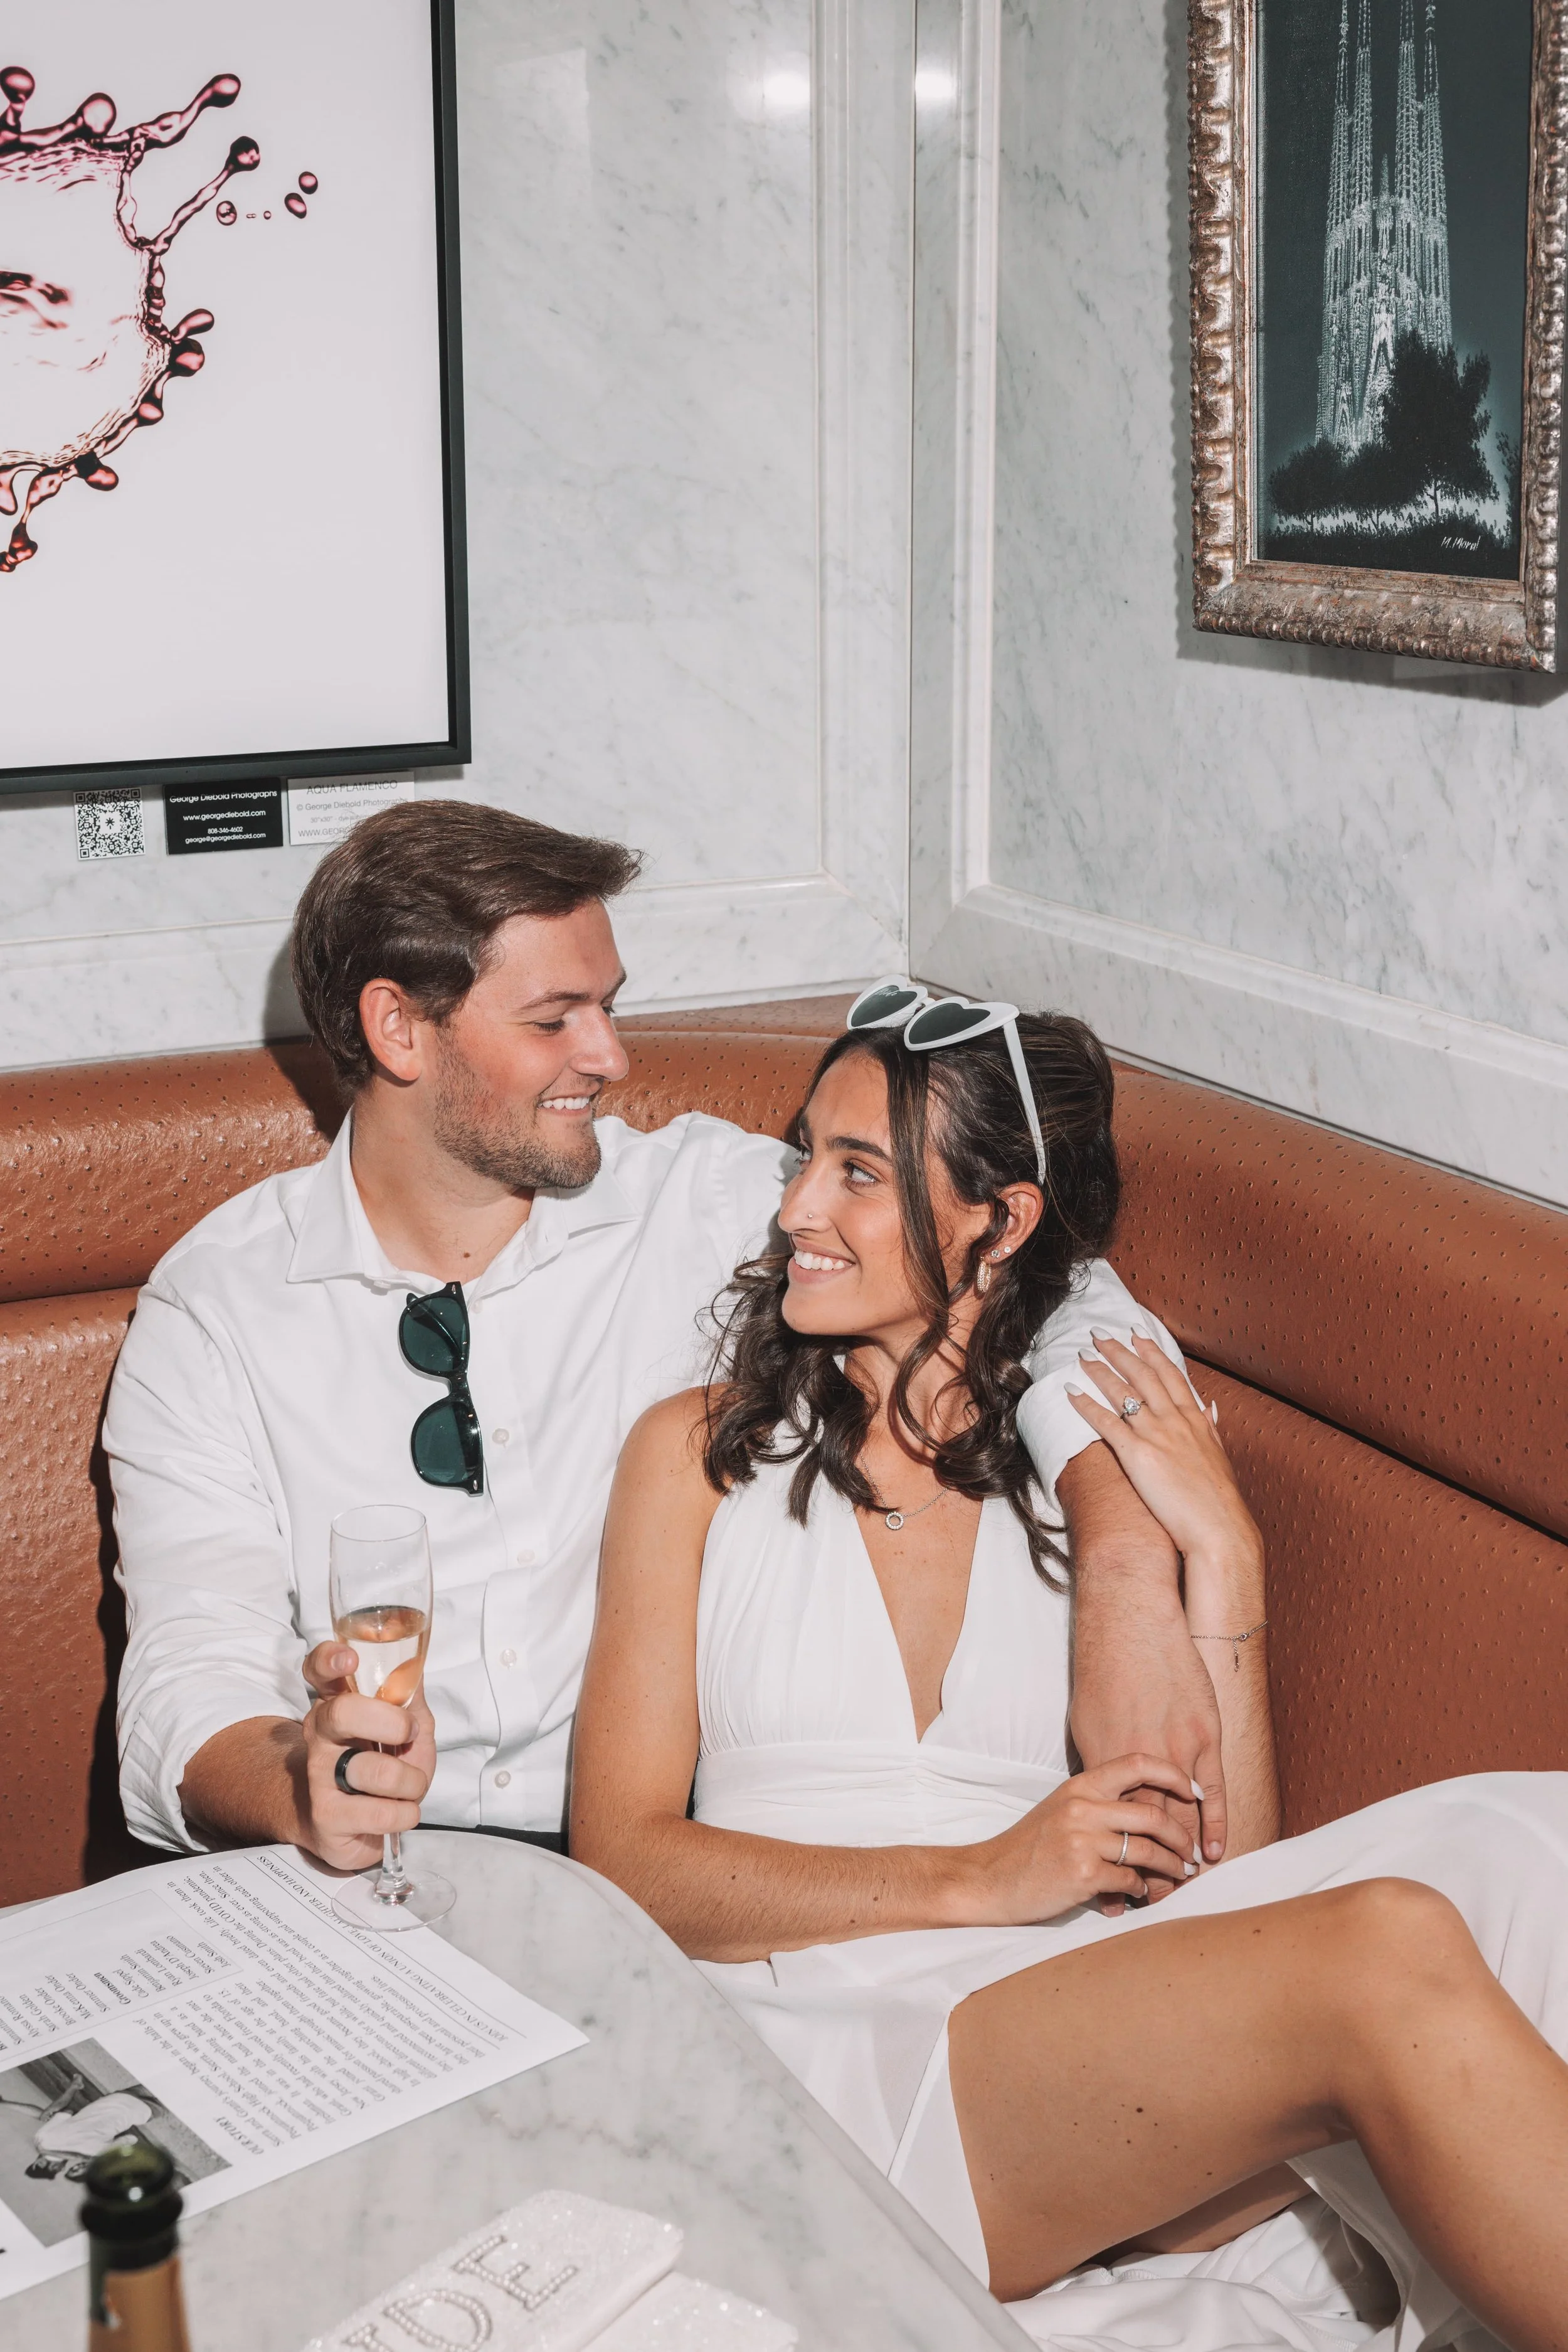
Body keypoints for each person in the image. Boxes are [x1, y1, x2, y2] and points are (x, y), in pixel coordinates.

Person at [569, 1009, 1568, 2351]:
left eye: (856, 1172)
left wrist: (1226, 1561)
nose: (795, 1205)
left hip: (1091, 2049)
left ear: (999, 1222)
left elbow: (1229, 1889)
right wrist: (986, 1875)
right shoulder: (695, 1455)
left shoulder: (1104, 1468)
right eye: (807, 1156)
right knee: (1387, 1945)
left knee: (1529, 1840)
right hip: (832, 2048)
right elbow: (624, 1861)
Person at [105, 801, 1217, 1873]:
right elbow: (186, 1680)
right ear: (398, 1028)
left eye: (610, 1006)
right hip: (353, 1875)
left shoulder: (707, 1201)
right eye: (555, 1019)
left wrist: (1121, 1559)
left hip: (649, 1870)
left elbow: (1043, 1279)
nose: (609, 1057)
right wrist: (302, 1781)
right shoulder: (218, 1310)